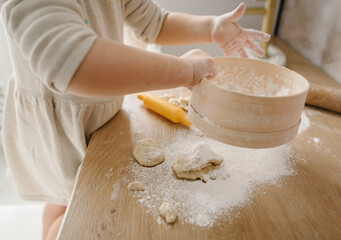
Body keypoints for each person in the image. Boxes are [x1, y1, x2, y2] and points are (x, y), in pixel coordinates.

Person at [0, 0, 270, 239]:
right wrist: (184, 72)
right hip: (58, 128)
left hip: (99, 115)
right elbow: (75, 61)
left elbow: (154, 22)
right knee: (74, 206)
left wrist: (209, 27)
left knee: (65, 196)